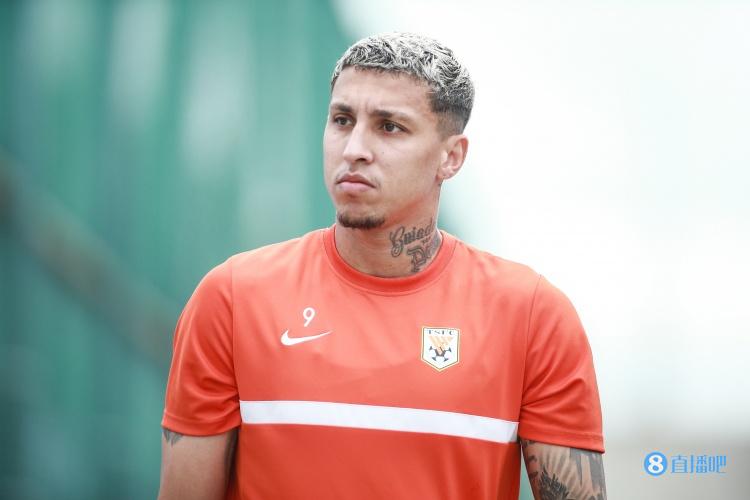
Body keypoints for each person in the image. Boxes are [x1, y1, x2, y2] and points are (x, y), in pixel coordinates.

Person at [158, 32, 606, 500]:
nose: (354, 148)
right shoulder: (232, 299)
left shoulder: (532, 316)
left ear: (451, 157)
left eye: (389, 127)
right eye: (342, 120)